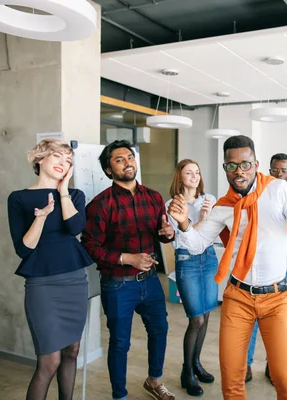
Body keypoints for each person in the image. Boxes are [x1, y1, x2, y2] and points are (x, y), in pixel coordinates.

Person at [167, 135, 287, 400]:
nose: (240, 171)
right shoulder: (223, 207)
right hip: (238, 297)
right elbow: (196, 244)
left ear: (256, 163)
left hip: (276, 297)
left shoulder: (278, 189)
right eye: (232, 165)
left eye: (246, 164)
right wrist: (183, 224)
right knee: (232, 379)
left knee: (285, 379)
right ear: (224, 167)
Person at [81, 140, 176, 400]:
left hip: (151, 283)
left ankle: (154, 381)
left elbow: (161, 233)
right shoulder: (100, 205)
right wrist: (127, 258)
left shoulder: (154, 197)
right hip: (118, 285)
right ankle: (119, 395)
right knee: (120, 343)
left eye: (130, 157)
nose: (127, 162)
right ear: (109, 170)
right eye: (119, 160)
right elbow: (90, 247)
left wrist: (168, 234)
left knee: (160, 330)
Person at [7, 138, 93, 400]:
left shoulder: (75, 195)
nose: (63, 163)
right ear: (40, 158)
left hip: (75, 280)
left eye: (68, 161)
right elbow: (24, 249)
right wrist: (41, 217)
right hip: (42, 287)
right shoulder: (19, 198)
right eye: (57, 157)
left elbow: (75, 228)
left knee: (72, 351)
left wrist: (63, 190)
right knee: (49, 362)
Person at [245, 153, 287, 384]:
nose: (279, 174)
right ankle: (246, 365)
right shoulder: (259, 194)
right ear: (268, 171)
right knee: (252, 321)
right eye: (275, 170)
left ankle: (273, 366)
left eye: (283, 170)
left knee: (277, 322)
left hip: (284, 268)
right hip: (258, 268)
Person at [165, 159, 218, 396]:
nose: (194, 176)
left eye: (197, 172)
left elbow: (211, 234)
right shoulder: (171, 205)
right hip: (186, 261)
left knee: (205, 316)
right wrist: (200, 221)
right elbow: (178, 241)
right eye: (189, 172)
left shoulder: (209, 199)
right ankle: (187, 371)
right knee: (195, 319)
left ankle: (196, 363)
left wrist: (206, 218)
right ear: (180, 176)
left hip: (208, 259)